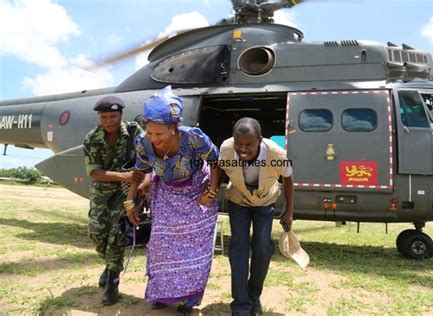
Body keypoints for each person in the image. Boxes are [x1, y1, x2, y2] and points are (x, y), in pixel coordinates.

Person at [125, 86, 220, 316]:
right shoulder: (143, 142)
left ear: (174, 127)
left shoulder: (193, 138)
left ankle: (188, 300)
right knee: (161, 247)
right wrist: (130, 199)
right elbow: (139, 170)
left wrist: (211, 192)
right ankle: (161, 292)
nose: (153, 138)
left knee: (195, 252)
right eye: (150, 132)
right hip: (167, 195)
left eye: (159, 134)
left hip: (197, 195)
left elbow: (217, 162)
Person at [218, 117, 294, 316]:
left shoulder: (276, 153)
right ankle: (241, 305)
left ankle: (254, 296)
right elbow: (218, 166)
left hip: (264, 202)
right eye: (238, 144)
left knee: (262, 248)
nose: (242, 149)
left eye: (249, 144)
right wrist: (211, 190)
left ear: (260, 140)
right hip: (238, 200)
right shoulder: (226, 149)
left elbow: (288, 178)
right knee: (238, 249)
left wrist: (289, 211)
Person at [83, 95, 143, 306]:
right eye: (104, 117)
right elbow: (94, 172)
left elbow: (145, 157)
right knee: (97, 234)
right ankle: (109, 266)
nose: (109, 121)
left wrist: (135, 185)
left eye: (113, 116)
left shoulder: (135, 132)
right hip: (101, 192)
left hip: (126, 192)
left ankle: (113, 283)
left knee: (117, 235)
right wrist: (123, 175)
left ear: (121, 115)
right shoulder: (92, 138)